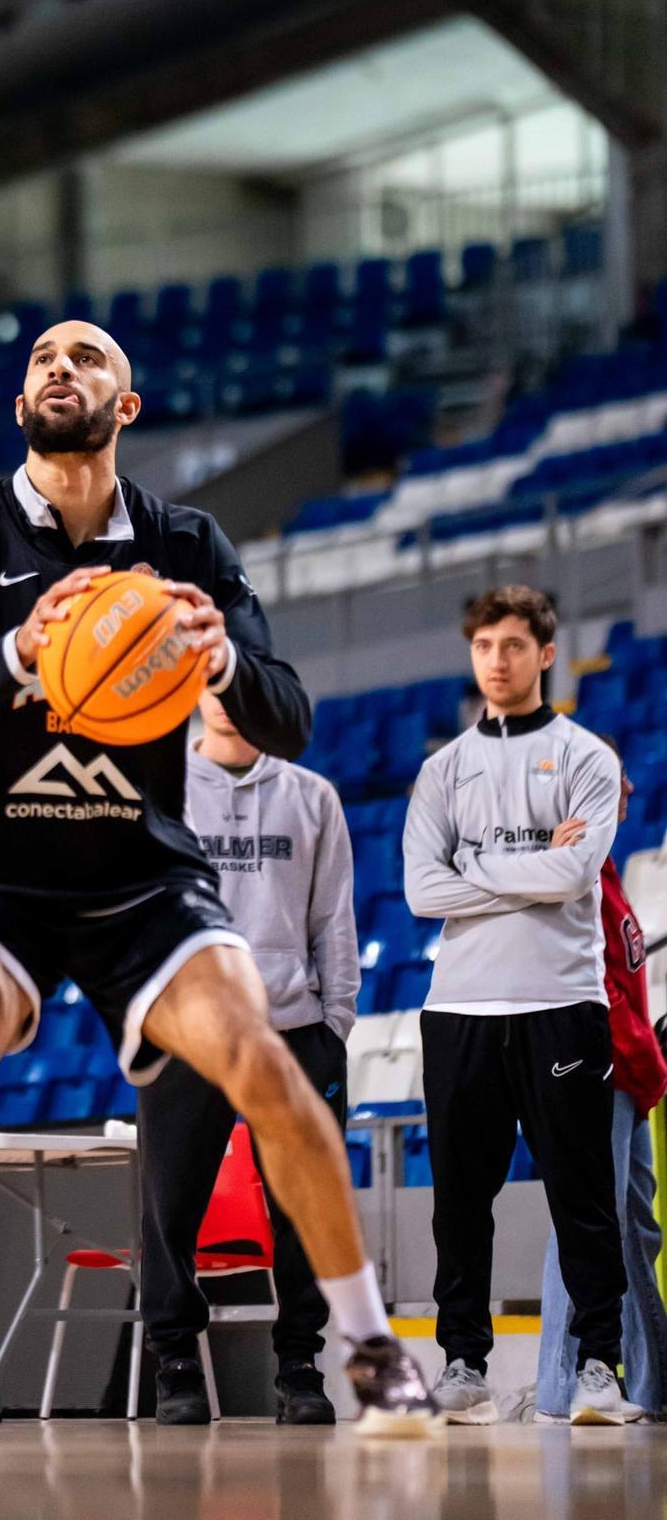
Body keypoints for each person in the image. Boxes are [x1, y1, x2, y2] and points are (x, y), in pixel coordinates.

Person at [0, 319, 440, 1440]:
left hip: (139, 867)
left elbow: (291, 712)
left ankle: (371, 1347)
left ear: (127, 404)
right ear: (20, 401)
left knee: (264, 1056)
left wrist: (221, 657)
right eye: (40, 359)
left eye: (85, 358)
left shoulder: (187, 545)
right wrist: (19, 653)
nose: (57, 368)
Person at [403, 584, 628, 1426]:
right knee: (460, 1199)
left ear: (544, 652)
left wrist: (473, 874)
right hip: (460, 1009)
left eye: (512, 644)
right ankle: (464, 1364)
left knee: (582, 1193)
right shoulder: (442, 770)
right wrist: (526, 877)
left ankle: (598, 1367)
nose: (496, 660)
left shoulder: (588, 759)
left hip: (562, 1003)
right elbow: (422, 892)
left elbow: (574, 878)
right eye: (483, 645)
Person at [138, 685, 360, 1425]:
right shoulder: (156, 789)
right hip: (188, 1027)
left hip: (293, 1029)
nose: (227, 701)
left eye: (241, 686)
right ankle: (174, 1361)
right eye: (214, 685)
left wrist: (334, 1025)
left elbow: (333, 918)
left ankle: (300, 1364)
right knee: (169, 1206)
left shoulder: (313, 796)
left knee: (302, 1208)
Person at [536, 739, 667, 1423]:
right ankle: (560, 1390)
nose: (630, 792)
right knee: (588, 1226)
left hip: (630, 1077)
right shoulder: (572, 873)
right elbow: (582, 984)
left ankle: (653, 1382)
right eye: (617, 781)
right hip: (597, 1071)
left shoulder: (607, 874)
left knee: (634, 1228)